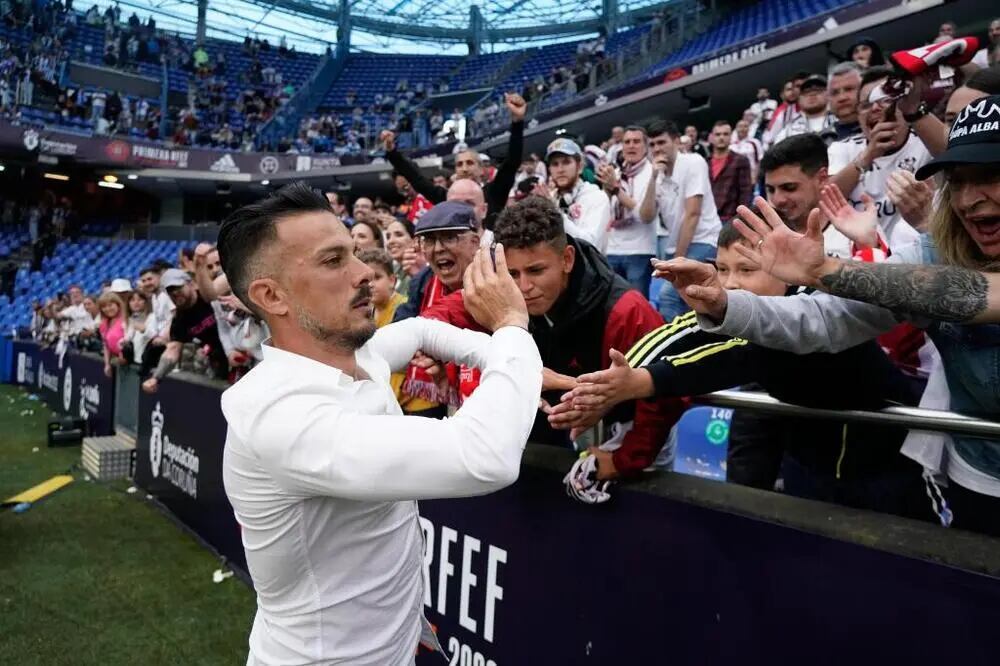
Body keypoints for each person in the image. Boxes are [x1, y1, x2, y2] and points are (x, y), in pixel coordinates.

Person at [215, 182, 542, 664]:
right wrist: (512, 328)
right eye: (333, 261)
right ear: (272, 295)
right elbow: (486, 456)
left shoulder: (350, 354)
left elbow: (419, 330)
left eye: (354, 253)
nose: (364, 272)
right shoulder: (280, 416)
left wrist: (504, 361)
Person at [657, 94, 1000, 535]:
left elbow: (968, 293)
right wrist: (725, 305)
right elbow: (825, 319)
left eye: (990, 176)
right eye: (958, 179)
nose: (971, 199)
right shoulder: (935, 249)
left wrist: (826, 270)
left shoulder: (933, 263)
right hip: (973, 473)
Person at [556, 225, 928, 518]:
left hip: (884, 467)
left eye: (747, 269)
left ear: (788, 274)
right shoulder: (743, 312)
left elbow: (730, 357)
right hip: (808, 461)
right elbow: (684, 330)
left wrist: (637, 382)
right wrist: (610, 382)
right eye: (722, 269)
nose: (730, 283)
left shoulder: (808, 311)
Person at [827, 66, 947, 250]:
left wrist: (915, 110)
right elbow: (828, 197)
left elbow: (952, 153)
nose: (875, 107)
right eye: (866, 104)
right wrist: (867, 156)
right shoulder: (843, 149)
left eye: (885, 100)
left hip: (926, 249)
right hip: (868, 256)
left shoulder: (924, 141)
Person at [381, 92, 526, 230]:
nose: (464, 168)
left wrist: (517, 122)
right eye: (459, 164)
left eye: (470, 163)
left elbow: (512, 162)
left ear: (482, 169)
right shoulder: (446, 197)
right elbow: (416, 179)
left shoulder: (494, 192)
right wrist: (392, 152)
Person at [641, 120, 721, 320]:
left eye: (661, 142)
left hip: (704, 239)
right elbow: (646, 216)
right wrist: (651, 178)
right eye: (652, 145)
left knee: (668, 296)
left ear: (676, 141)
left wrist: (677, 261)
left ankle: (673, 347)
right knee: (687, 300)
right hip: (679, 245)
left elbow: (692, 214)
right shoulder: (656, 174)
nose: (657, 149)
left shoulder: (693, 162)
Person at [141, 268, 227, 392]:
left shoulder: (207, 295)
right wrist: (156, 377)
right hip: (219, 360)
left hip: (243, 351)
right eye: (170, 291)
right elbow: (173, 349)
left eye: (178, 287)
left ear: (191, 284)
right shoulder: (179, 320)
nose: (175, 293)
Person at [600, 125, 657, 297]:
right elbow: (605, 211)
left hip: (640, 250)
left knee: (638, 305)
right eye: (627, 142)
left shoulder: (653, 173)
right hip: (613, 249)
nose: (631, 146)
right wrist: (607, 191)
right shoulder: (616, 173)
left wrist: (617, 190)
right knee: (613, 306)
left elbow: (645, 216)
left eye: (636, 141)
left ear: (646, 146)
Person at [542, 137, 611, 252]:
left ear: (580, 167)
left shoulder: (596, 197)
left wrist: (555, 212)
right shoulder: (550, 200)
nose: (560, 169)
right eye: (555, 164)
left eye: (566, 162)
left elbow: (590, 245)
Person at [708, 120, 753, 224]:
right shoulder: (705, 162)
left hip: (729, 218)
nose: (721, 137)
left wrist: (741, 219)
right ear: (712, 137)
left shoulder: (741, 160)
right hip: (708, 218)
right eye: (718, 134)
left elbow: (745, 192)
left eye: (725, 134)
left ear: (731, 136)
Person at [771, 74, 837, 145]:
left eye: (818, 90)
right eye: (807, 91)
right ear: (800, 98)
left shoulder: (841, 120)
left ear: (827, 94)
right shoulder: (788, 130)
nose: (812, 94)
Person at [384, 218, 420, 296]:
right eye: (388, 237)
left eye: (399, 235)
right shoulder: (392, 270)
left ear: (415, 240)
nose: (391, 241)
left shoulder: (426, 270)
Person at [827, 62, 863, 139]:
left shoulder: (888, 127)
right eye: (835, 93)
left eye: (849, 89)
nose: (842, 98)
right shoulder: (823, 141)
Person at [122, 289, 157, 367]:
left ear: (145, 302)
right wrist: (122, 342)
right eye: (132, 300)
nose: (136, 303)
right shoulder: (129, 319)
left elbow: (154, 336)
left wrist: (144, 329)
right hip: (134, 361)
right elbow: (128, 338)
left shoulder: (152, 317)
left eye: (140, 299)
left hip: (147, 362)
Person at [97, 291, 126, 378]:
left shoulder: (125, 319)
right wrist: (107, 364)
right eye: (104, 307)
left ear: (118, 305)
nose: (107, 309)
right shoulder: (103, 324)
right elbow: (105, 345)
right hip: (116, 362)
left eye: (110, 305)